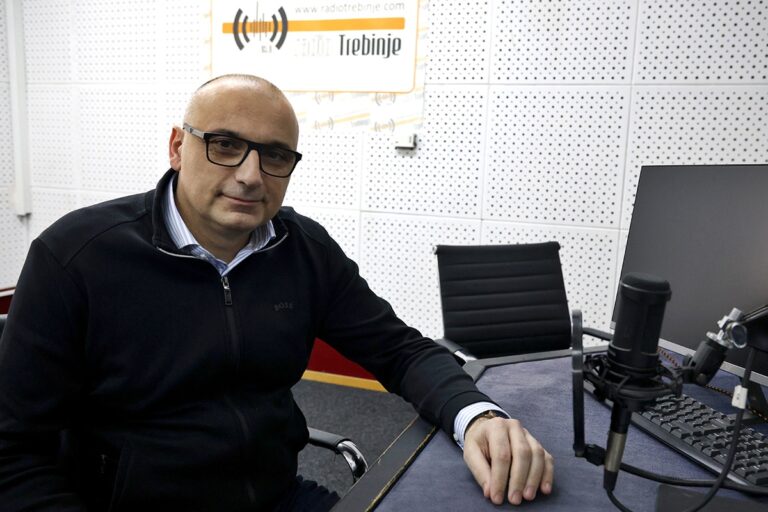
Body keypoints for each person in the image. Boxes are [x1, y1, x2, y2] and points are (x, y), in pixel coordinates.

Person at [0, 74, 553, 511]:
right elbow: (12, 451)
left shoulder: (303, 250)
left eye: (275, 155)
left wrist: (477, 416)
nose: (250, 175)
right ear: (177, 146)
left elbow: (399, 349)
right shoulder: (77, 257)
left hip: (275, 498)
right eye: (225, 145)